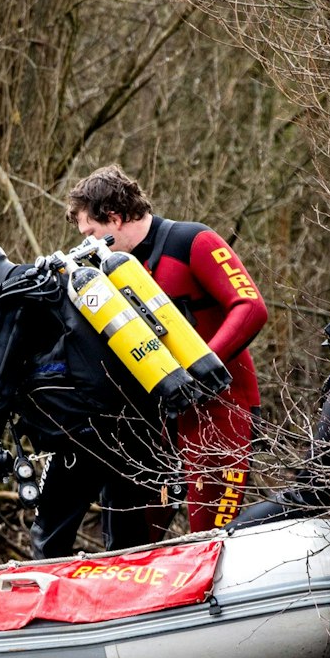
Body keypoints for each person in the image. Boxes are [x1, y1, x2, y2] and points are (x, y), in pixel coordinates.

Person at [66, 165, 268, 534]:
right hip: (156, 422)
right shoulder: (109, 269)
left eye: (92, 233)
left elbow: (251, 307)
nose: (88, 243)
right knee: (133, 542)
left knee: (208, 537)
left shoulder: (193, 241)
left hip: (220, 412)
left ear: (114, 218)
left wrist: (199, 365)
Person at [0, 238, 172, 558]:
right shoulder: (56, 279)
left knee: (47, 537)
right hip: (134, 426)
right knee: (126, 536)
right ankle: (134, 602)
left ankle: (52, 606)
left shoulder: (14, 299)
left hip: (82, 439)